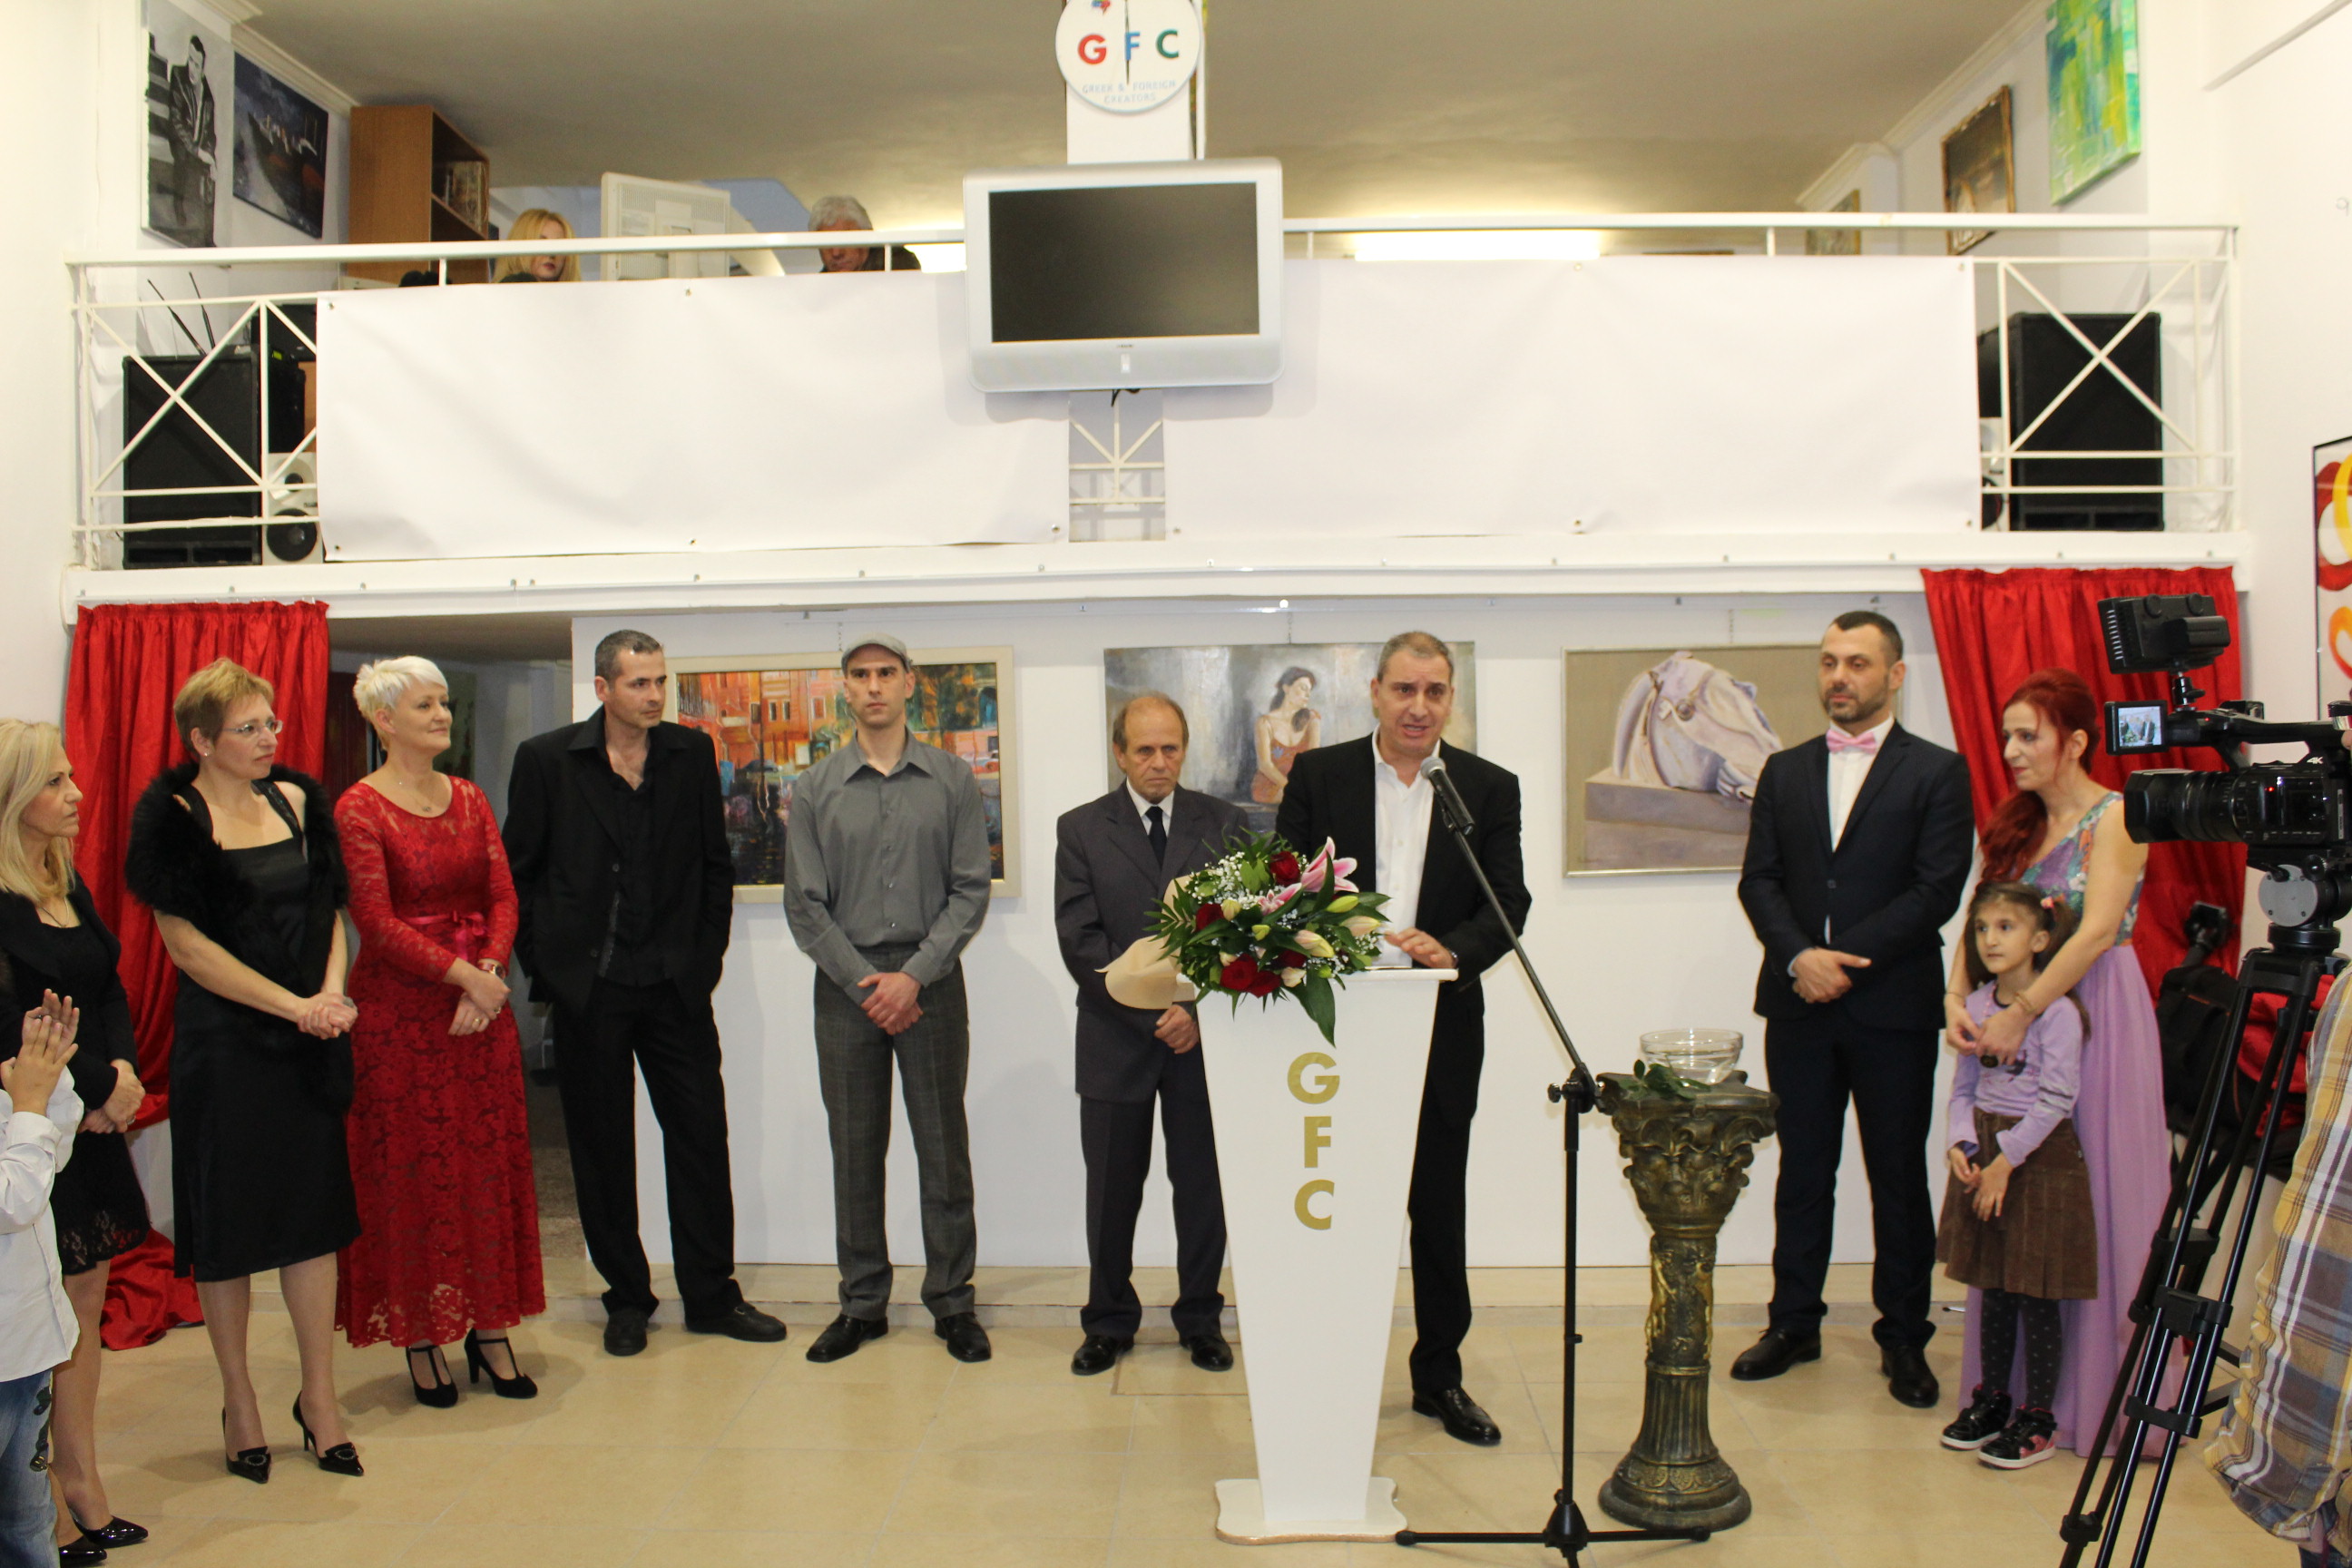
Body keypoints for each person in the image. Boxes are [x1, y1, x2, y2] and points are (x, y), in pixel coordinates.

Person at [1276, 631, 1529, 1446]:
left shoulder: (1485, 788)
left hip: (1439, 1024)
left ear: (1451, 699)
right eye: (1404, 690)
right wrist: (1338, 940)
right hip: (1340, 1028)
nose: (1419, 707)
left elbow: (1508, 903)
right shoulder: (1320, 776)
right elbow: (1283, 885)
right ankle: (1333, 1370)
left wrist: (1452, 950)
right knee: (1339, 1207)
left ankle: (1439, 1377)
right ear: (1377, 693)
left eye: (1435, 692)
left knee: (1437, 1209)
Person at [504, 630, 785, 1356]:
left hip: (674, 987)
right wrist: (548, 967)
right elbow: (519, 874)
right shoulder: (547, 760)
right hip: (590, 989)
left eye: (660, 681)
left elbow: (714, 864)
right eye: (638, 683)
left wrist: (703, 958)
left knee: (700, 1140)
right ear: (603, 689)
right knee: (601, 1151)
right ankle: (627, 1298)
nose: (654, 695)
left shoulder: (690, 754)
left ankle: (711, 1296)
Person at [122, 659, 363, 1480]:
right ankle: (242, 1401)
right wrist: (294, 1006)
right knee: (226, 1234)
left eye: (271, 723)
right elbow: (190, 951)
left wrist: (328, 995)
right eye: (248, 728)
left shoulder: (295, 800)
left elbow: (330, 914)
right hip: (225, 1050)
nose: (268, 739)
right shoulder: (173, 820)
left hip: (307, 1043)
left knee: (312, 1225)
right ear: (200, 740)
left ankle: (320, 1399)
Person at [1732, 610, 1973, 1407]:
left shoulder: (1938, 771)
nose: (1840, 676)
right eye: (1830, 661)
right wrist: (1800, 956)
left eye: (1858, 663)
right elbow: (1759, 880)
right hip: (1798, 1003)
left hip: (1891, 1007)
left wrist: (1842, 961)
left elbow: (1936, 890)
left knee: (1897, 1176)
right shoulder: (1784, 770)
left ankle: (1904, 1337)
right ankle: (1793, 1323)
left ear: (1895, 675)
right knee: (1803, 1171)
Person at [1945, 667, 2168, 1454]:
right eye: (2007, 735)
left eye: (2026, 735)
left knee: (2092, 1194)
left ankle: (2085, 1399)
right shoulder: (2015, 824)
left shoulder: (2119, 817)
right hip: (2016, 1017)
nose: (2010, 750)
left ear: (2074, 742)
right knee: (2015, 1196)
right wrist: (1958, 999)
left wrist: (2025, 1011)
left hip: (2095, 1014)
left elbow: (2098, 930)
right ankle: (2008, 1393)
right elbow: (1977, 918)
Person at [334, 659, 544, 1404]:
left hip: (477, 1013)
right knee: (411, 1176)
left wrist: (487, 971)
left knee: (483, 1170)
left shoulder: (471, 797)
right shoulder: (359, 808)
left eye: (444, 703)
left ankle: (490, 1327)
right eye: (425, 705)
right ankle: (420, 1334)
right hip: (399, 1019)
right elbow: (375, 920)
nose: (441, 715)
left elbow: (503, 895)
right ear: (384, 720)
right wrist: (465, 978)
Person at [784, 634, 992, 1365]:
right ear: (845, 688)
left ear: (909, 683)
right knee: (855, 1150)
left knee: (943, 1150)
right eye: (860, 674)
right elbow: (805, 905)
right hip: (847, 988)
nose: (873, 686)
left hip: (931, 983)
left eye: (885, 673)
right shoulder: (814, 788)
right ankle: (862, 1303)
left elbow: (971, 889)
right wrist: (864, 983)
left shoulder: (951, 779)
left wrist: (915, 975)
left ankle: (953, 1302)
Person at [1054, 693, 1248, 1377]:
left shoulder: (1224, 824)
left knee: (1202, 1192)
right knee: (1112, 1195)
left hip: (1201, 1043)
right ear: (1120, 753)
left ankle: (1201, 1318)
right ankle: (1108, 1322)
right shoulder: (1081, 829)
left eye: (1170, 748)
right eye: (1144, 750)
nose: (1158, 762)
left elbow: (1242, 934)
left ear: (1184, 749)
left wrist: (1196, 1012)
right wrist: (1151, 1014)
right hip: (1116, 1042)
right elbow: (1081, 942)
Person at [0, 722, 147, 1557]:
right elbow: (9, 1022)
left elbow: (107, 983)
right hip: (30, 1119)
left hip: (85, 1118)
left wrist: (121, 1073)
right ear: (14, 796)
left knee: (82, 1302)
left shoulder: (63, 875)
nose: (76, 793)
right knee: (41, 1312)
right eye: (56, 781)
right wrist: (97, 1086)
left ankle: (80, 1475)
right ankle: (42, 1502)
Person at [1936, 882, 2097, 1470]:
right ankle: (1993, 1401)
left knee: (2036, 1292)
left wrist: (2005, 1160)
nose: (1990, 940)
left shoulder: (2058, 1013)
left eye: (2006, 927)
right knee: (1995, 1288)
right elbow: (1964, 1088)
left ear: (2040, 940)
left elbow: (2057, 1099)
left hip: (2037, 1160)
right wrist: (1961, 1143)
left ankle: (2039, 1418)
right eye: (1982, 928)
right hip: (1986, 1156)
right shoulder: (1976, 1005)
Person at [0, 1013, 78, 1568]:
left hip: (25, 1344)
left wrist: (51, 1077)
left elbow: (49, 1155)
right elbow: (14, 1200)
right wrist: (28, 1104)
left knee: (28, 1519)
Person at [1251, 667, 1322, 807]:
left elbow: (1312, 762)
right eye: (1303, 688)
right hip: (1271, 785)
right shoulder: (1265, 722)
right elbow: (1265, 765)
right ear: (1286, 688)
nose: (1308, 694)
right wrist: (1292, 788)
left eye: (1309, 690)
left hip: (1301, 786)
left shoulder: (1312, 720)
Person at [809, 194, 922, 273]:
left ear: (867, 235)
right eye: (826, 244)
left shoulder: (895, 263)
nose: (836, 253)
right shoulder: (816, 287)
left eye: (844, 240)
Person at [498, 208, 581, 283]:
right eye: (542, 243)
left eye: (559, 246)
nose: (551, 254)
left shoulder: (576, 293)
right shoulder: (502, 291)